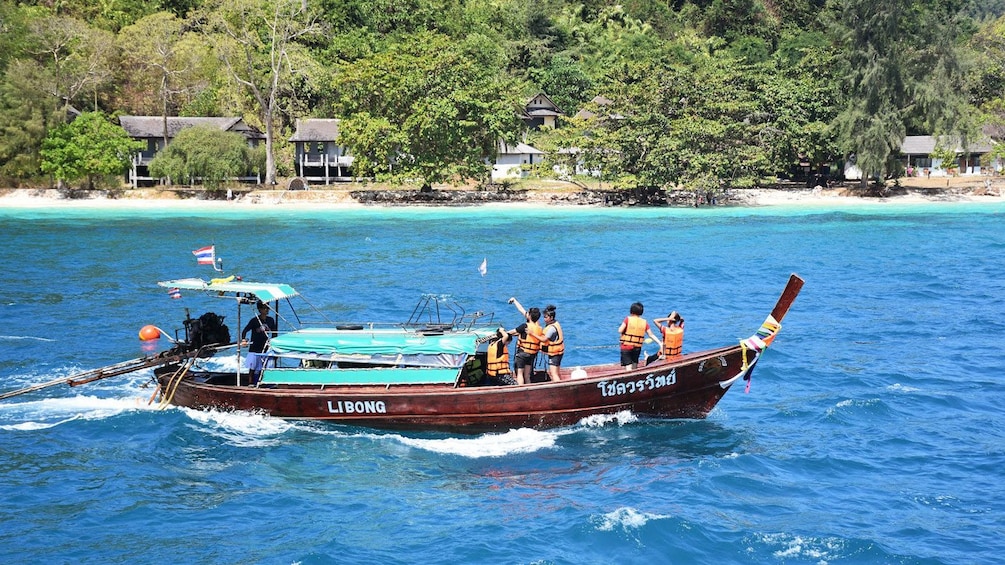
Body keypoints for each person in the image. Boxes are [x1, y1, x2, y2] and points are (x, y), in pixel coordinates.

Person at [507, 297, 544, 385]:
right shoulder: (538, 326)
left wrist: (502, 333)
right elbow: (521, 310)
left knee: (519, 373)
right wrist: (515, 301)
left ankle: (520, 390)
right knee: (527, 375)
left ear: (529, 316)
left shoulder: (525, 326)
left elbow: (512, 332)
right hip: (532, 354)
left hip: (522, 353)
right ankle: (528, 390)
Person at [617, 302, 661, 371]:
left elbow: (620, 330)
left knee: (628, 367)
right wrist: (659, 342)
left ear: (631, 311)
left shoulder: (627, 319)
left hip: (626, 346)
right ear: (641, 312)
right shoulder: (644, 322)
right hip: (637, 347)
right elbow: (651, 334)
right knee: (634, 365)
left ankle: (629, 379)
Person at [241, 301, 277, 385]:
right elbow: (245, 331)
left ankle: (264, 381)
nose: (267, 310)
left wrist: (272, 343)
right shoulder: (254, 321)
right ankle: (250, 383)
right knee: (252, 367)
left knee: (265, 365)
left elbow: (274, 332)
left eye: (268, 308)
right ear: (260, 310)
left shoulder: (270, 320)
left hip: (265, 346)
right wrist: (243, 339)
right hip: (255, 346)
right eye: (265, 308)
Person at [538, 304, 564, 382]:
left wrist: (532, 333)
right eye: (544, 317)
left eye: (546, 317)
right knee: (557, 372)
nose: (544, 319)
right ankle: (561, 384)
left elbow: (544, 339)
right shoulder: (555, 323)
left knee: (554, 373)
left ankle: (559, 389)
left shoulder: (552, 328)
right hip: (558, 352)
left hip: (555, 354)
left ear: (551, 318)